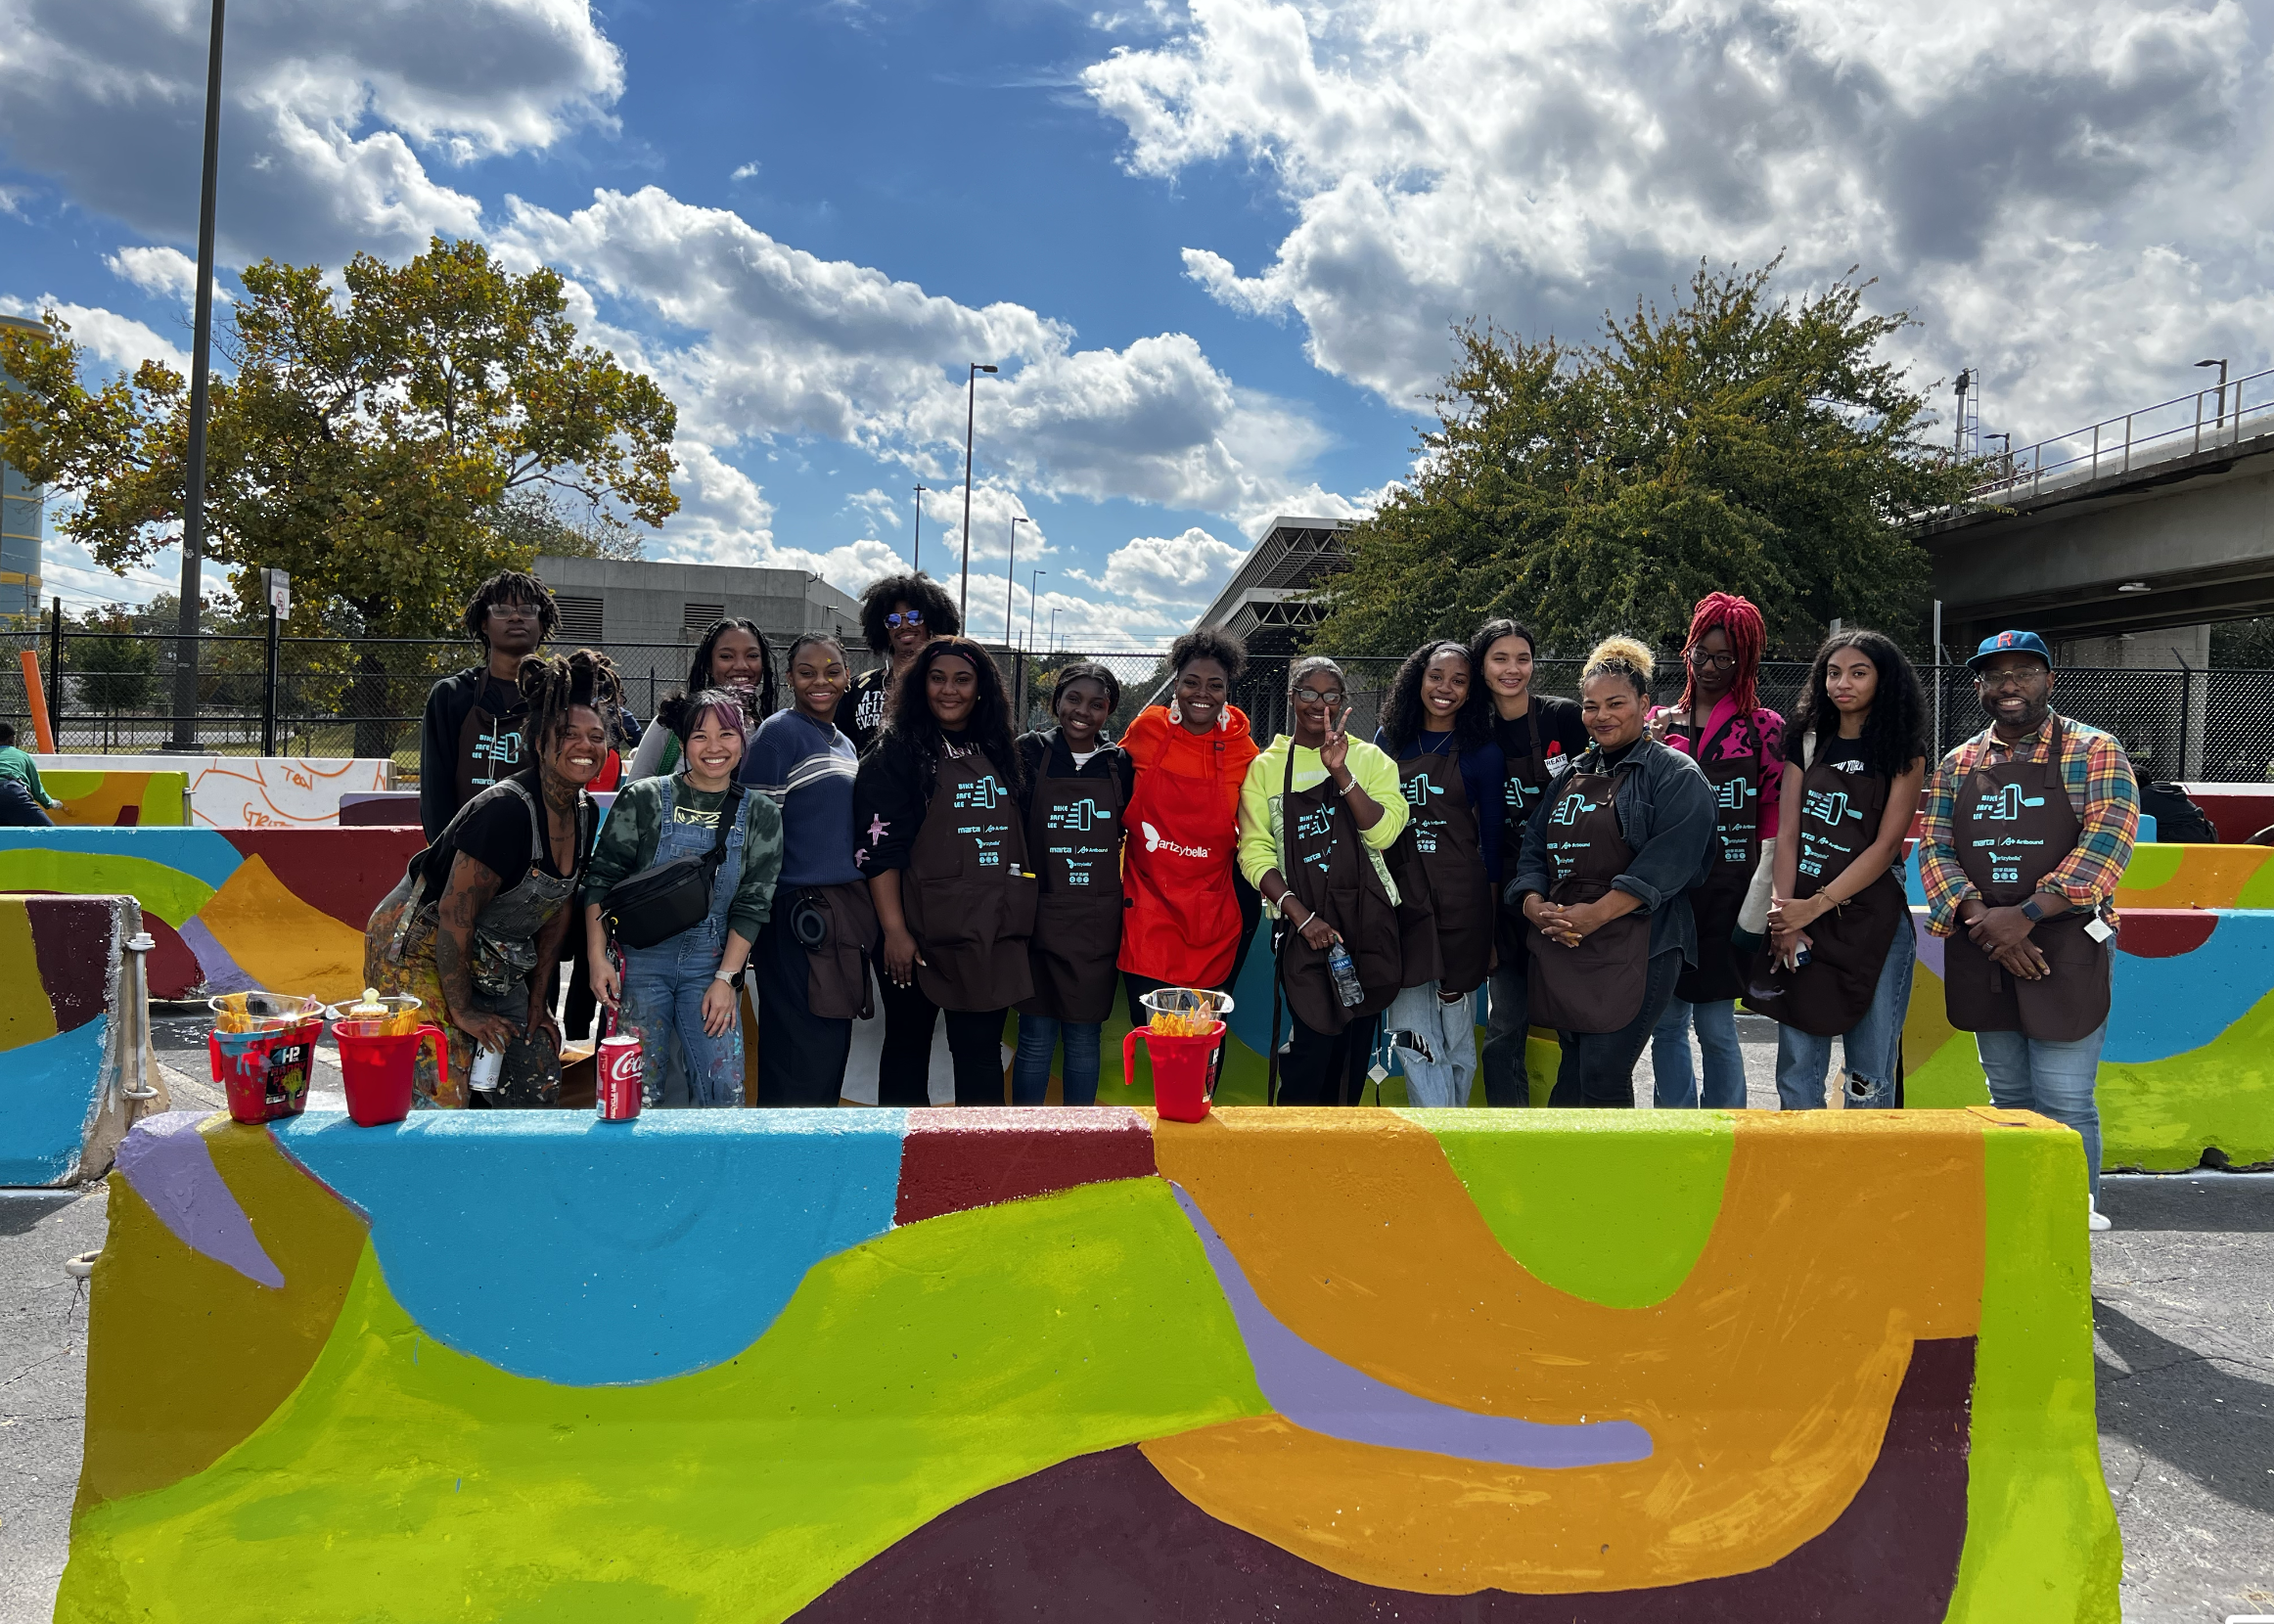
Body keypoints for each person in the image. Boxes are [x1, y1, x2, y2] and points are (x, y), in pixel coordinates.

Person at [1918, 630, 2138, 1228]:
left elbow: (2108, 844)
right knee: (2009, 1097)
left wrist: (2027, 916)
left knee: (2065, 1098)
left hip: (2068, 943)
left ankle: (2068, 1225)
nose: (2008, 685)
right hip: (1983, 943)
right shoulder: (1959, 763)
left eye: (2023, 672)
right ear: (1979, 686)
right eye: (1995, 675)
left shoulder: (2095, 751)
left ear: (2049, 680)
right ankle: (2019, 1224)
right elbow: (1934, 848)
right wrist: (1984, 921)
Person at [367, 651, 616, 1107]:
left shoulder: (585, 812)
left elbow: (557, 908)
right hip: (418, 945)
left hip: (489, 952)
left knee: (536, 1073)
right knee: (443, 1084)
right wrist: (463, 1011)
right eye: (568, 734)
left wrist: (539, 1004)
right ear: (538, 742)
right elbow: (454, 915)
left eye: (596, 736)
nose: (585, 745)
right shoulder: (505, 811)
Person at [1511, 637, 1714, 1108]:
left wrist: (1596, 914)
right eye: (1590, 706)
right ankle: (1563, 1158)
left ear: (1644, 704)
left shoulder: (1676, 774)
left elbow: (1670, 861)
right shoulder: (1572, 774)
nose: (1601, 715)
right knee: (1574, 1068)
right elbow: (1534, 847)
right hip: (1569, 941)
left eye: (1615, 703)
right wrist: (1533, 903)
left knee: (1604, 1071)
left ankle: (1610, 1160)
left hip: (1642, 944)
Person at [1751, 630, 1928, 1111]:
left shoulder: (1904, 752)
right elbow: (1787, 834)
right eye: (1833, 673)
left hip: (1872, 919)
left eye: (1858, 673)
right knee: (1796, 1065)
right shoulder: (1807, 742)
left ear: (1884, 680)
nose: (1842, 684)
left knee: (1869, 1073)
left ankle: (1863, 1161)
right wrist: (1785, 916)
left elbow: (1886, 847)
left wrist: (1815, 906)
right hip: (1799, 914)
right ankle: (1801, 1158)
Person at [852, 637, 1034, 1105]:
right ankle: (902, 1149)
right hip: (916, 935)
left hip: (988, 931)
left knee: (979, 1055)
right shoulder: (895, 752)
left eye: (962, 679)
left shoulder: (999, 749)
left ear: (981, 688)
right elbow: (880, 851)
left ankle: (979, 1152)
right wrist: (895, 932)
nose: (949, 690)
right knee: (907, 1048)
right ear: (921, 685)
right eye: (937, 678)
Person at [583, 690, 784, 1108]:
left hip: (711, 964)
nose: (714, 747)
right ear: (682, 743)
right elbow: (601, 880)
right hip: (639, 964)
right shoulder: (644, 798)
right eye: (700, 736)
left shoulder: (762, 814)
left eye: (726, 734)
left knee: (724, 1092)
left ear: (742, 740)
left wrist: (727, 979)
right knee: (633, 1095)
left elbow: (754, 902)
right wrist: (598, 958)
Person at [1240, 656, 1412, 1105]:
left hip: (1368, 922)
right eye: (1309, 693)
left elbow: (1384, 834)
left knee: (1352, 1055)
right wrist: (1302, 917)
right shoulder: (1266, 767)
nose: (1320, 704)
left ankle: (1341, 1141)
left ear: (1343, 699)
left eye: (1331, 694)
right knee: (1310, 1052)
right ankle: (1295, 1142)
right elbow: (1254, 853)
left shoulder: (1371, 759)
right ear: (1292, 697)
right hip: (1302, 928)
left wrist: (1341, 772)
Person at [1647, 592, 1784, 1108]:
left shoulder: (1764, 728)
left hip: (1730, 894)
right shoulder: (1659, 723)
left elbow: (1772, 814)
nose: (1709, 668)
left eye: (1725, 659)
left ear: (1744, 661)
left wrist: (1763, 894)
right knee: (1666, 1023)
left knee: (1716, 1026)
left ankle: (1729, 1124)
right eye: (1700, 655)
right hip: (1669, 894)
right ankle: (1676, 1123)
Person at [1374, 640, 1503, 1106]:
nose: (1445, 688)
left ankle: (1454, 1121)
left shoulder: (1483, 753)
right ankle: (1437, 1130)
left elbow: (1492, 843)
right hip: (1402, 902)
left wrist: (1490, 931)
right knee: (1412, 1031)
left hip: (1462, 904)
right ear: (1417, 679)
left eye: (1459, 680)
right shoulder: (1389, 741)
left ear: (1471, 691)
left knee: (1456, 1026)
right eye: (1436, 676)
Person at [745, 634, 870, 1105]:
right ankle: (784, 1148)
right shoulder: (778, 734)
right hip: (794, 915)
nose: (821, 681)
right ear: (789, 678)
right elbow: (754, 836)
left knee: (828, 1049)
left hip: (838, 914)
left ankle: (812, 1147)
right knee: (800, 1052)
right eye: (806, 672)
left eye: (832, 671)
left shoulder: (844, 743)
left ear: (847, 676)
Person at [1470, 618, 1589, 1105]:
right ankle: (1509, 1124)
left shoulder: (1564, 717)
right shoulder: (1473, 729)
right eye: (1500, 658)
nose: (1512, 669)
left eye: (1523, 658)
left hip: (1565, 889)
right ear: (1482, 666)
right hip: (1503, 894)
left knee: (1577, 1022)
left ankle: (1569, 1122)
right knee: (1505, 1024)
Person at [1118, 629, 1261, 1023]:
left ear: (1227, 691)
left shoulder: (1243, 749)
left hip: (1212, 911)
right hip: (1148, 904)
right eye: (1191, 682)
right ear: (1176, 684)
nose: (1203, 693)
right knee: (1153, 1027)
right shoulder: (1146, 732)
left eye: (1215, 685)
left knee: (1205, 1032)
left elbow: (1257, 827)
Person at [1012, 662, 1135, 1105]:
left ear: (1109, 711)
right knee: (1035, 1037)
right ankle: (1026, 1133)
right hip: (1038, 919)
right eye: (1074, 699)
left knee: (1084, 1039)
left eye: (1097, 704)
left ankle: (1079, 1136)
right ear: (1057, 702)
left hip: (1095, 924)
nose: (1083, 712)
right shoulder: (1029, 752)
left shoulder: (1120, 764)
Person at [418, 570, 556, 841]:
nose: (515, 617)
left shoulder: (559, 696)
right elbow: (435, 791)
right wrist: (446, 854)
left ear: (541, 624)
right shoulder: (452, 695)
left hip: (538, 849)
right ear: (484, 623)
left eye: (527, 610)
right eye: (502, 610)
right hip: (465, 848)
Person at [626, 618, 780, 779]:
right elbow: (634, 788)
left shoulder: (766, 732)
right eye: (726, 656)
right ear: (708, 665)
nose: (741, 665)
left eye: (752, 655)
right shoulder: (673, 721)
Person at [839, 572, 961, 752]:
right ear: (885, 633)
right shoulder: (859, 688)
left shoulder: (945, 688)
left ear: (932, 626)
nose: (904, 625)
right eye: (893, 620)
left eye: (914, 617)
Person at [0, 722, 58, 826]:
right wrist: (50, 803)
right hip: (11, 791)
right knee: (49, 831)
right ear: (11, 739)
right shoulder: (23, 756)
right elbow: (37, 790)